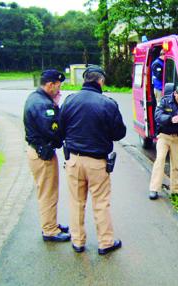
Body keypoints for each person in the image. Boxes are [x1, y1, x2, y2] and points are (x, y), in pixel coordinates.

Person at [59, 65, 126, 255]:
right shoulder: (108, 104)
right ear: (100, 81)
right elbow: (119, 133)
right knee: (101, 203)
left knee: (76, 202)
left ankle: (78, 241)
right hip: (97, 162)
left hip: (73, 160)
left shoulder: (70, 100)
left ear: (84, 80)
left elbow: (61, 129)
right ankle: (105, 242)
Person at [23, 69, 70, 242]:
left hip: (39, 151)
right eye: (58, 86)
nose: (59, 90)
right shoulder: (44, 104)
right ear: (50, 85)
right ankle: (50, 230)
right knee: (48, 192)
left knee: (48, 190)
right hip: (43, 154)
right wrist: (57, 109)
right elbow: (53, 131)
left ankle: (52, 224)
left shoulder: (36, 98)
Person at [149, 85, 178, 200]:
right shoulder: (165, 100)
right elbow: (157, 116)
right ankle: (154, 188)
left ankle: (175, 189)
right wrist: (170, 119)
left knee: (176, 165)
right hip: (164, 136)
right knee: (160, 160)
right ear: (175, 93)